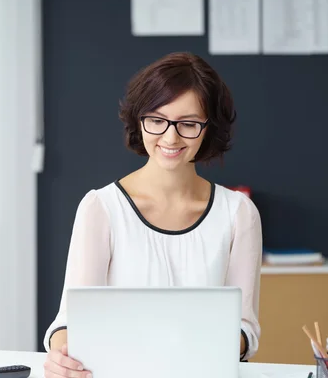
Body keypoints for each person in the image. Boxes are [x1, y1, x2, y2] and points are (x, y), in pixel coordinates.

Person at [42, 52, 262, 378]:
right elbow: (69, 321)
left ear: (208, 128)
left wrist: (208, 348)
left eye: (188, 124)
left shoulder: (238, 213)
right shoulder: (101, 208)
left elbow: (246, 329)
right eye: (157, 120)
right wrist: (62, 356)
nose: (170, 138)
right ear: (139, 120)